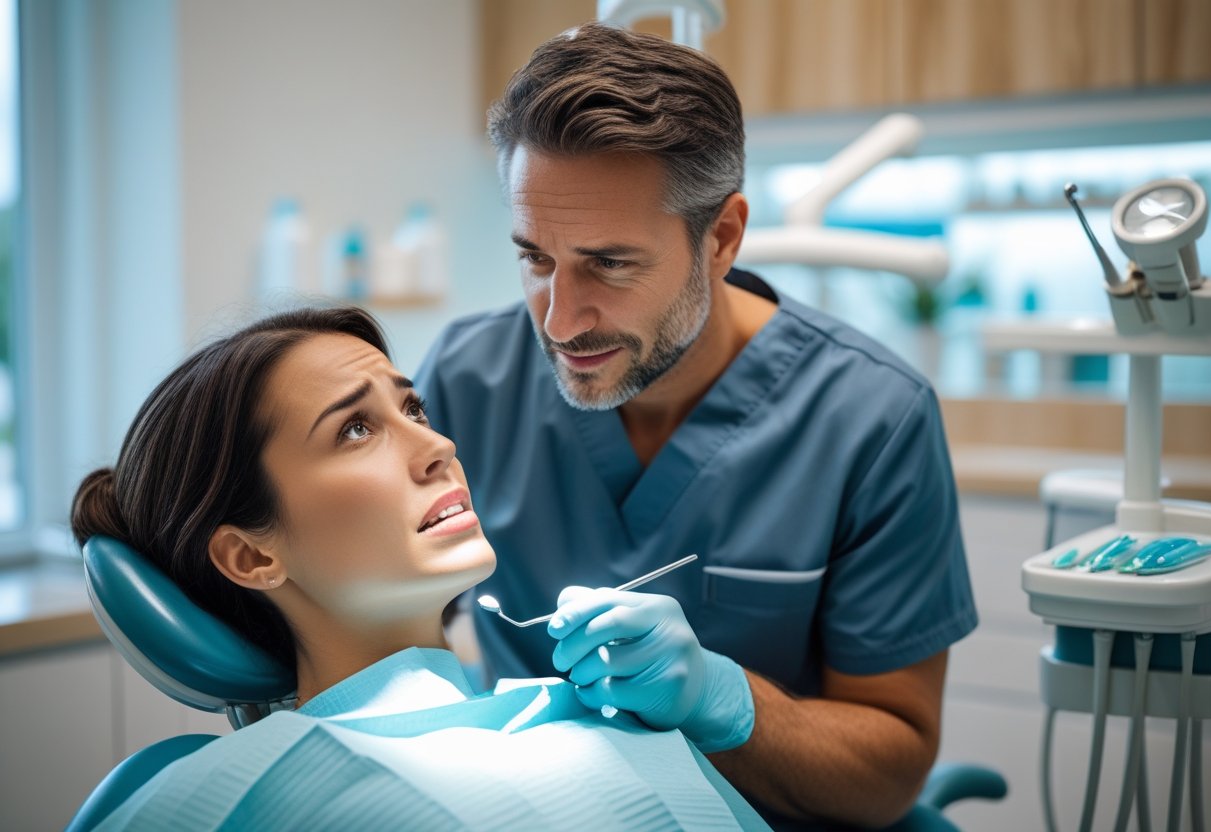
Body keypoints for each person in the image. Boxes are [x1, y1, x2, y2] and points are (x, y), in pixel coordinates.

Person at [414, 22, 978, 830]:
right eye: (536, 258)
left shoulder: (871, 420)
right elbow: (381, 618)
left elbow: (888, 771)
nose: (561, 320)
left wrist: (725, 699)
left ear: (721, 237)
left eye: (610, 263)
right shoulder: (470, 379)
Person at [70, 306, 768, 831]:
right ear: (252, 555)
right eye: (355, 429)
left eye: (412, 408)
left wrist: (720, 699)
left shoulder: (597, 716)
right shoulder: (225, 793)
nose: (438, 443)